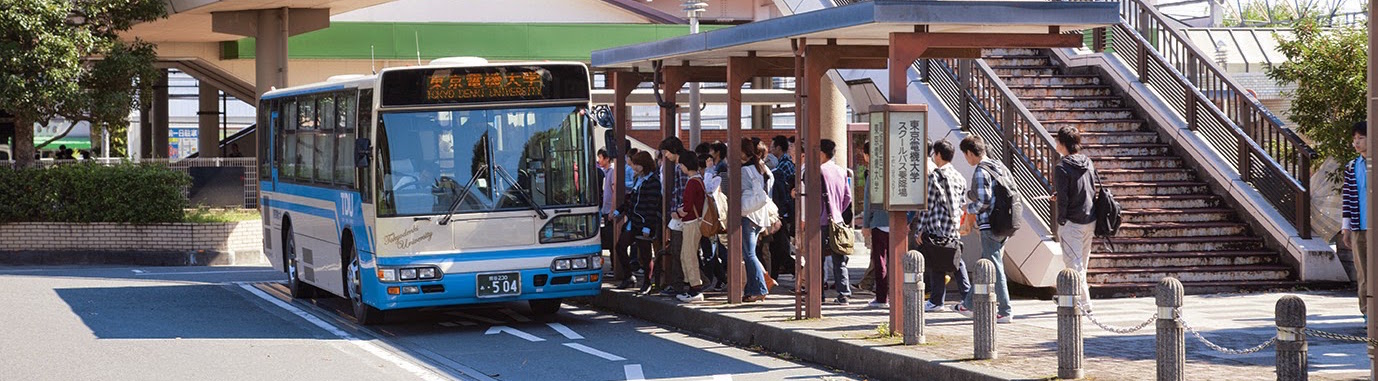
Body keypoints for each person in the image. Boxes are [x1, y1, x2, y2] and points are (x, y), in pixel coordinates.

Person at [955, 135, 1014, 323]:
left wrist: (967, 208)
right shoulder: (999, 166)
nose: (967, 159)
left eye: (966, 155)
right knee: (986, 262)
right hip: (1006, 223)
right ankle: (969, 304)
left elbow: (984, 202)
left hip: (990, 225)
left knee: (994, 267)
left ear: (971, 153)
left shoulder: (981, 170)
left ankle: (1005, 310)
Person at [917, 140, 970, 312]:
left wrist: (919, 229)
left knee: (937, 261)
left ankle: (937, 301)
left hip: (937, 225)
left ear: (938, 155)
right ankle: (967, 297)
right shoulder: (960, 177)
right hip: (953, 226)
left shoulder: (935, 176)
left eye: (935, 154)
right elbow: (963, 204)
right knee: (955, 261)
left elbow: (928, 205)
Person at [1053, 126, 1097, 311]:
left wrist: (1061, 219)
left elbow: (1064, 198)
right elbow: (1090, 188)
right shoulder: (1087, 162)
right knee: (1081, 264)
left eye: (1057, 141)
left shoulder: (1062, 167)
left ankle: (1084, 303)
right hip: (1089, 218)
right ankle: (1078, 298)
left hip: (1072, 221)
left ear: (1062, 144)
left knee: (1074, 265)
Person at [612, 151, 663, 292]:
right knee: (620, 247)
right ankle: (628, 276)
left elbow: (651, 205)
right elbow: (631, 199)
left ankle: (647, 282)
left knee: (645, 255)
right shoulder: (638, 179)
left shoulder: (653, 182)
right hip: (633, 221)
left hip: (644, 222)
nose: (634, 167)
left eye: (637, 164)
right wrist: (619, 210)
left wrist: (647, 226)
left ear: (644, 165)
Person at [818, 139, 854, 304]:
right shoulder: (841, 171)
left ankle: (819, 294)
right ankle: (844, 294)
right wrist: (838, 209)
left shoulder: (818, 171)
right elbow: (848, 198)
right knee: (839, 259)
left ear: (821, 153)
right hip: (837, 220)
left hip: (821, 220)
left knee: (817, 259)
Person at [740, 138, 774, 302]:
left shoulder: (745, 170)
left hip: (748, 214)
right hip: (760, 215)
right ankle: (751, 289)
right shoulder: (762, 167)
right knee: (750, 253)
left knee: (749, 253)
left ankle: (760, 288)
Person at [657, 137, 689, 297]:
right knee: (682, 251)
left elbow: (682, 190)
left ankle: (681, 284)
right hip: (681, 214)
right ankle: (687, 282)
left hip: (681, 216)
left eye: (666, 152)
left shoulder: (681, 166)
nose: (665, 156)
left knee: (678, 251)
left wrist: (677, 210)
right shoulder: (681, 164)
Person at [861, 141, 891, 309]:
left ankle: (881, 297)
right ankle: (896, 294)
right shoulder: (893, 168)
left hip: (878, 222)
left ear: (867, 155)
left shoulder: (874, 173)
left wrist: (865, 224)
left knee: (880, 260)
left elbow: (868, 201)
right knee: (895, 261)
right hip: (896, 222)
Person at [1344, 121, 1370, 318]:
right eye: (1354, 139)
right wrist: (1346, 227)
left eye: (1361, 138)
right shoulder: (1351, 167)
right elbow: (1347, 198)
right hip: (1359, 227)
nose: (1357, 143)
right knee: (1362, 274)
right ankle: (1367, 314)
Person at [674, 151, 708, 302]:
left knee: (689, 256)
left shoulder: (692, 182)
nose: (680, 167)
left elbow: (687, 206)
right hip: (696, 221)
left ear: (686, 165)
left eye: (681, 164)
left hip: (691, 222)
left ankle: (695, 288)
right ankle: (690, 287)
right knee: (686, 254)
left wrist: (677, 213)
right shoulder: (699, 180)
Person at [768, 135, 796, 279]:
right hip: (783, 211)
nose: (770, 150)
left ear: (779, 148)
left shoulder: (783, 165)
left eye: (772, 147)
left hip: (781, 212)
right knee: (778, 249)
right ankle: (773, 277)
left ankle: (801, 274)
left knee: (780, 249)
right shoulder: (781, 163)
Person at [597, 149, 616, 255]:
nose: (599, 160)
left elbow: (614, 192)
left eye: (600, 157)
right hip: (606, 209)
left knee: (611, 239)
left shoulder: (612, 171)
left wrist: (612, 210)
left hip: (610, 210)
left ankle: (615, 265)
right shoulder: (605, 172)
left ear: (607, 158)